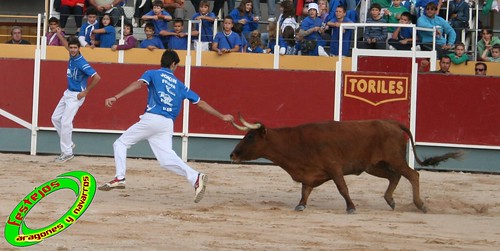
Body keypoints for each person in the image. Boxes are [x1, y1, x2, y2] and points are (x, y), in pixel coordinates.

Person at [98, 50, 234, 205]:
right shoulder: (180, 85)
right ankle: (196, 177)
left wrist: (116, 97)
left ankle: (120, 177)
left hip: (152, 118)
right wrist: (222, 116)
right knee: (166, 160)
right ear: (174, 64)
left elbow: (138, 84)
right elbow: (200, 103)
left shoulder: (152, 73)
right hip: (167, 124)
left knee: (120, 143)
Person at [51, 29, 101, 163]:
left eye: (75, 48)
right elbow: (65, 44)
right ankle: (69, 143)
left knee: (66, 122)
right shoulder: (71, 55)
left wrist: (86, 92)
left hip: (76, 95)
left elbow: (97, 77)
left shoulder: (81, 62)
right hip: (68, 92)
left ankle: (67, 153)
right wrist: (58, 33)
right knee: (55, 118)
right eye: (71, 48)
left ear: (79, 48)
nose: (72, 50)